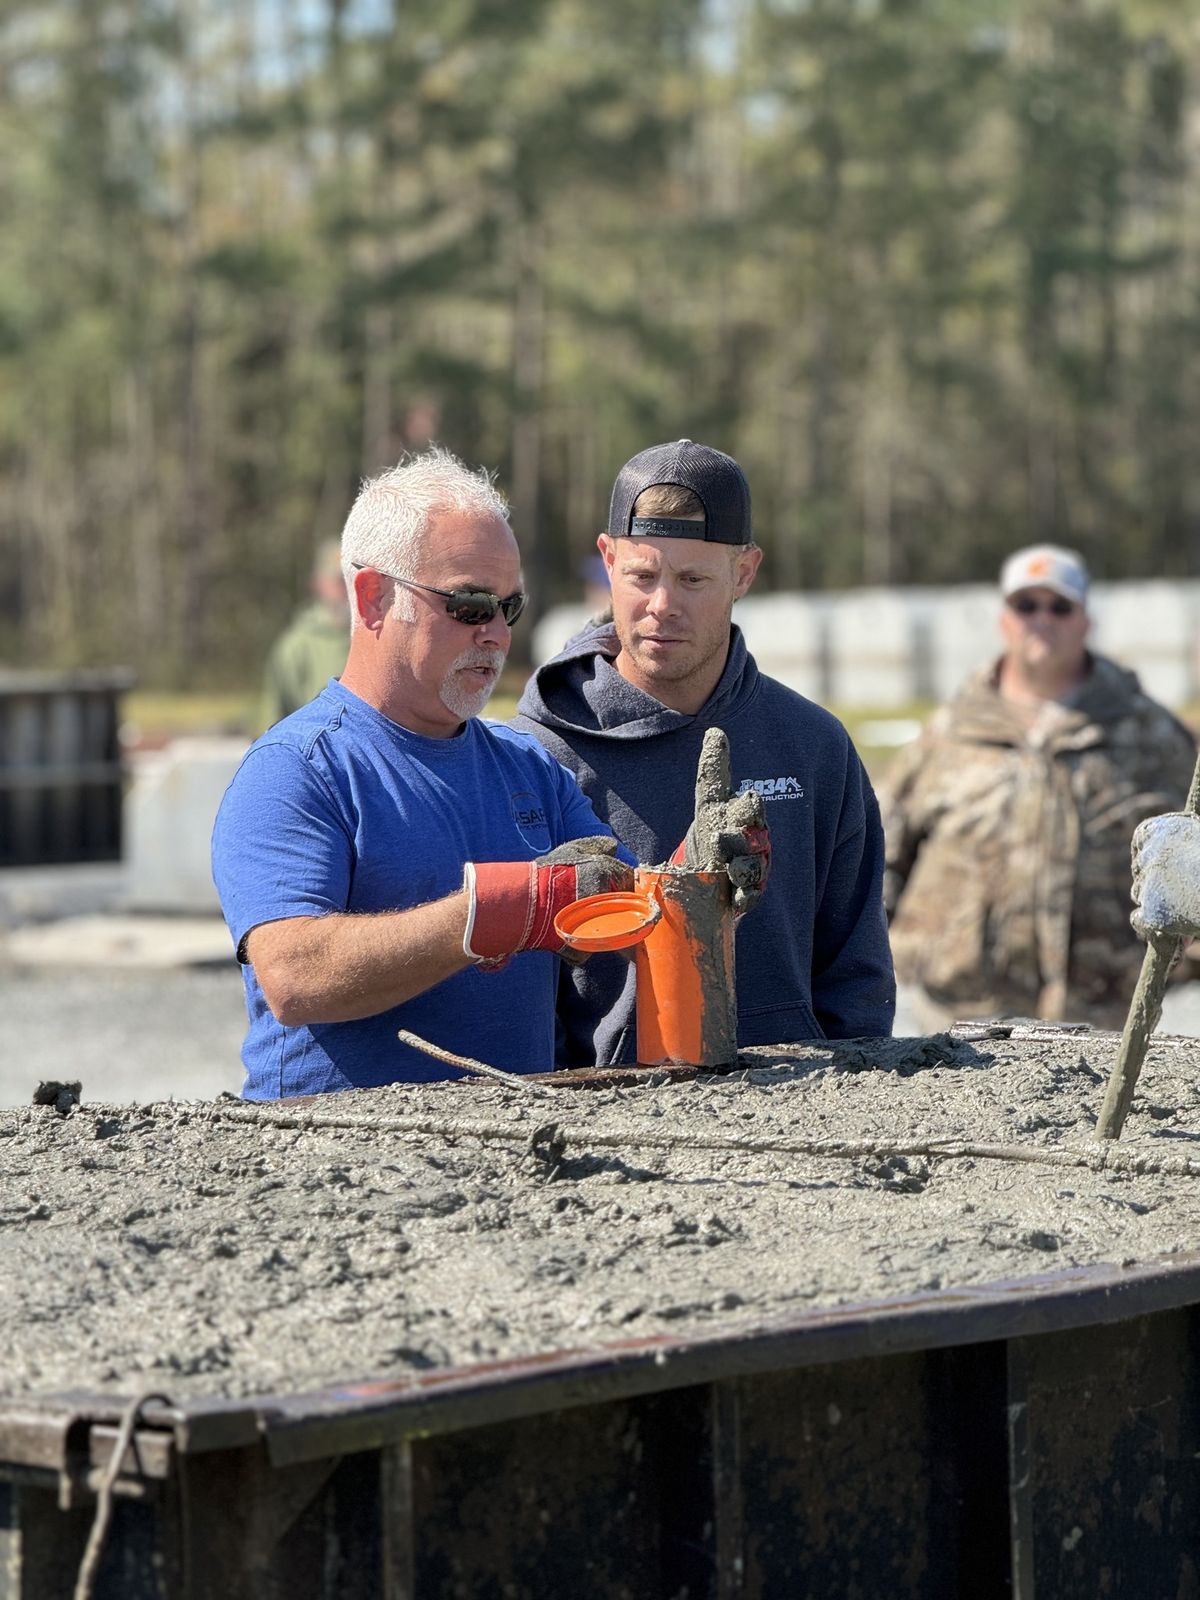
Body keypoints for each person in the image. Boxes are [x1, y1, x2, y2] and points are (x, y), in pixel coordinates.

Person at [212, 448, 640, 1099]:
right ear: (374, 597)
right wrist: (499, 913)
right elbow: (295, 976)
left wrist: (707, 876)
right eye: (469, 605)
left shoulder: (530, 767)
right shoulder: (295, 771)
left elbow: (629, 899)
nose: (498, 634)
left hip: (513, 1162)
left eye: (510, 607)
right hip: (329, 1169)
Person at [512, 438, 895, 1066]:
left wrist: (851, 1089)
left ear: (744, 573)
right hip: (603, 1118)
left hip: (803, 1110)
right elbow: (515, 994)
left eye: (693, 579)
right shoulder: (533, 753)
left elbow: (857, 972)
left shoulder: (813, 746)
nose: (664, 605)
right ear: (606, 560)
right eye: (642, 576)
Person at [880, 543, 1197, 1031]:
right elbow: (877, 861)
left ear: (1086, 619)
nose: (1041, 619)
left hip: (1105, 1022)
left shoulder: (1153, 735)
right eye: (1026, 605)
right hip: (958, 1027)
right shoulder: (946, 735)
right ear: (1004, 619)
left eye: (1060, 606)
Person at [258, 538, 351, 730]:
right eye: (340, 580)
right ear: (318, 583)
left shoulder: (380, 637)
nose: (348, 588)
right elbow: (273, 721)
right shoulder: (294, 647)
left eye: (353, 577)